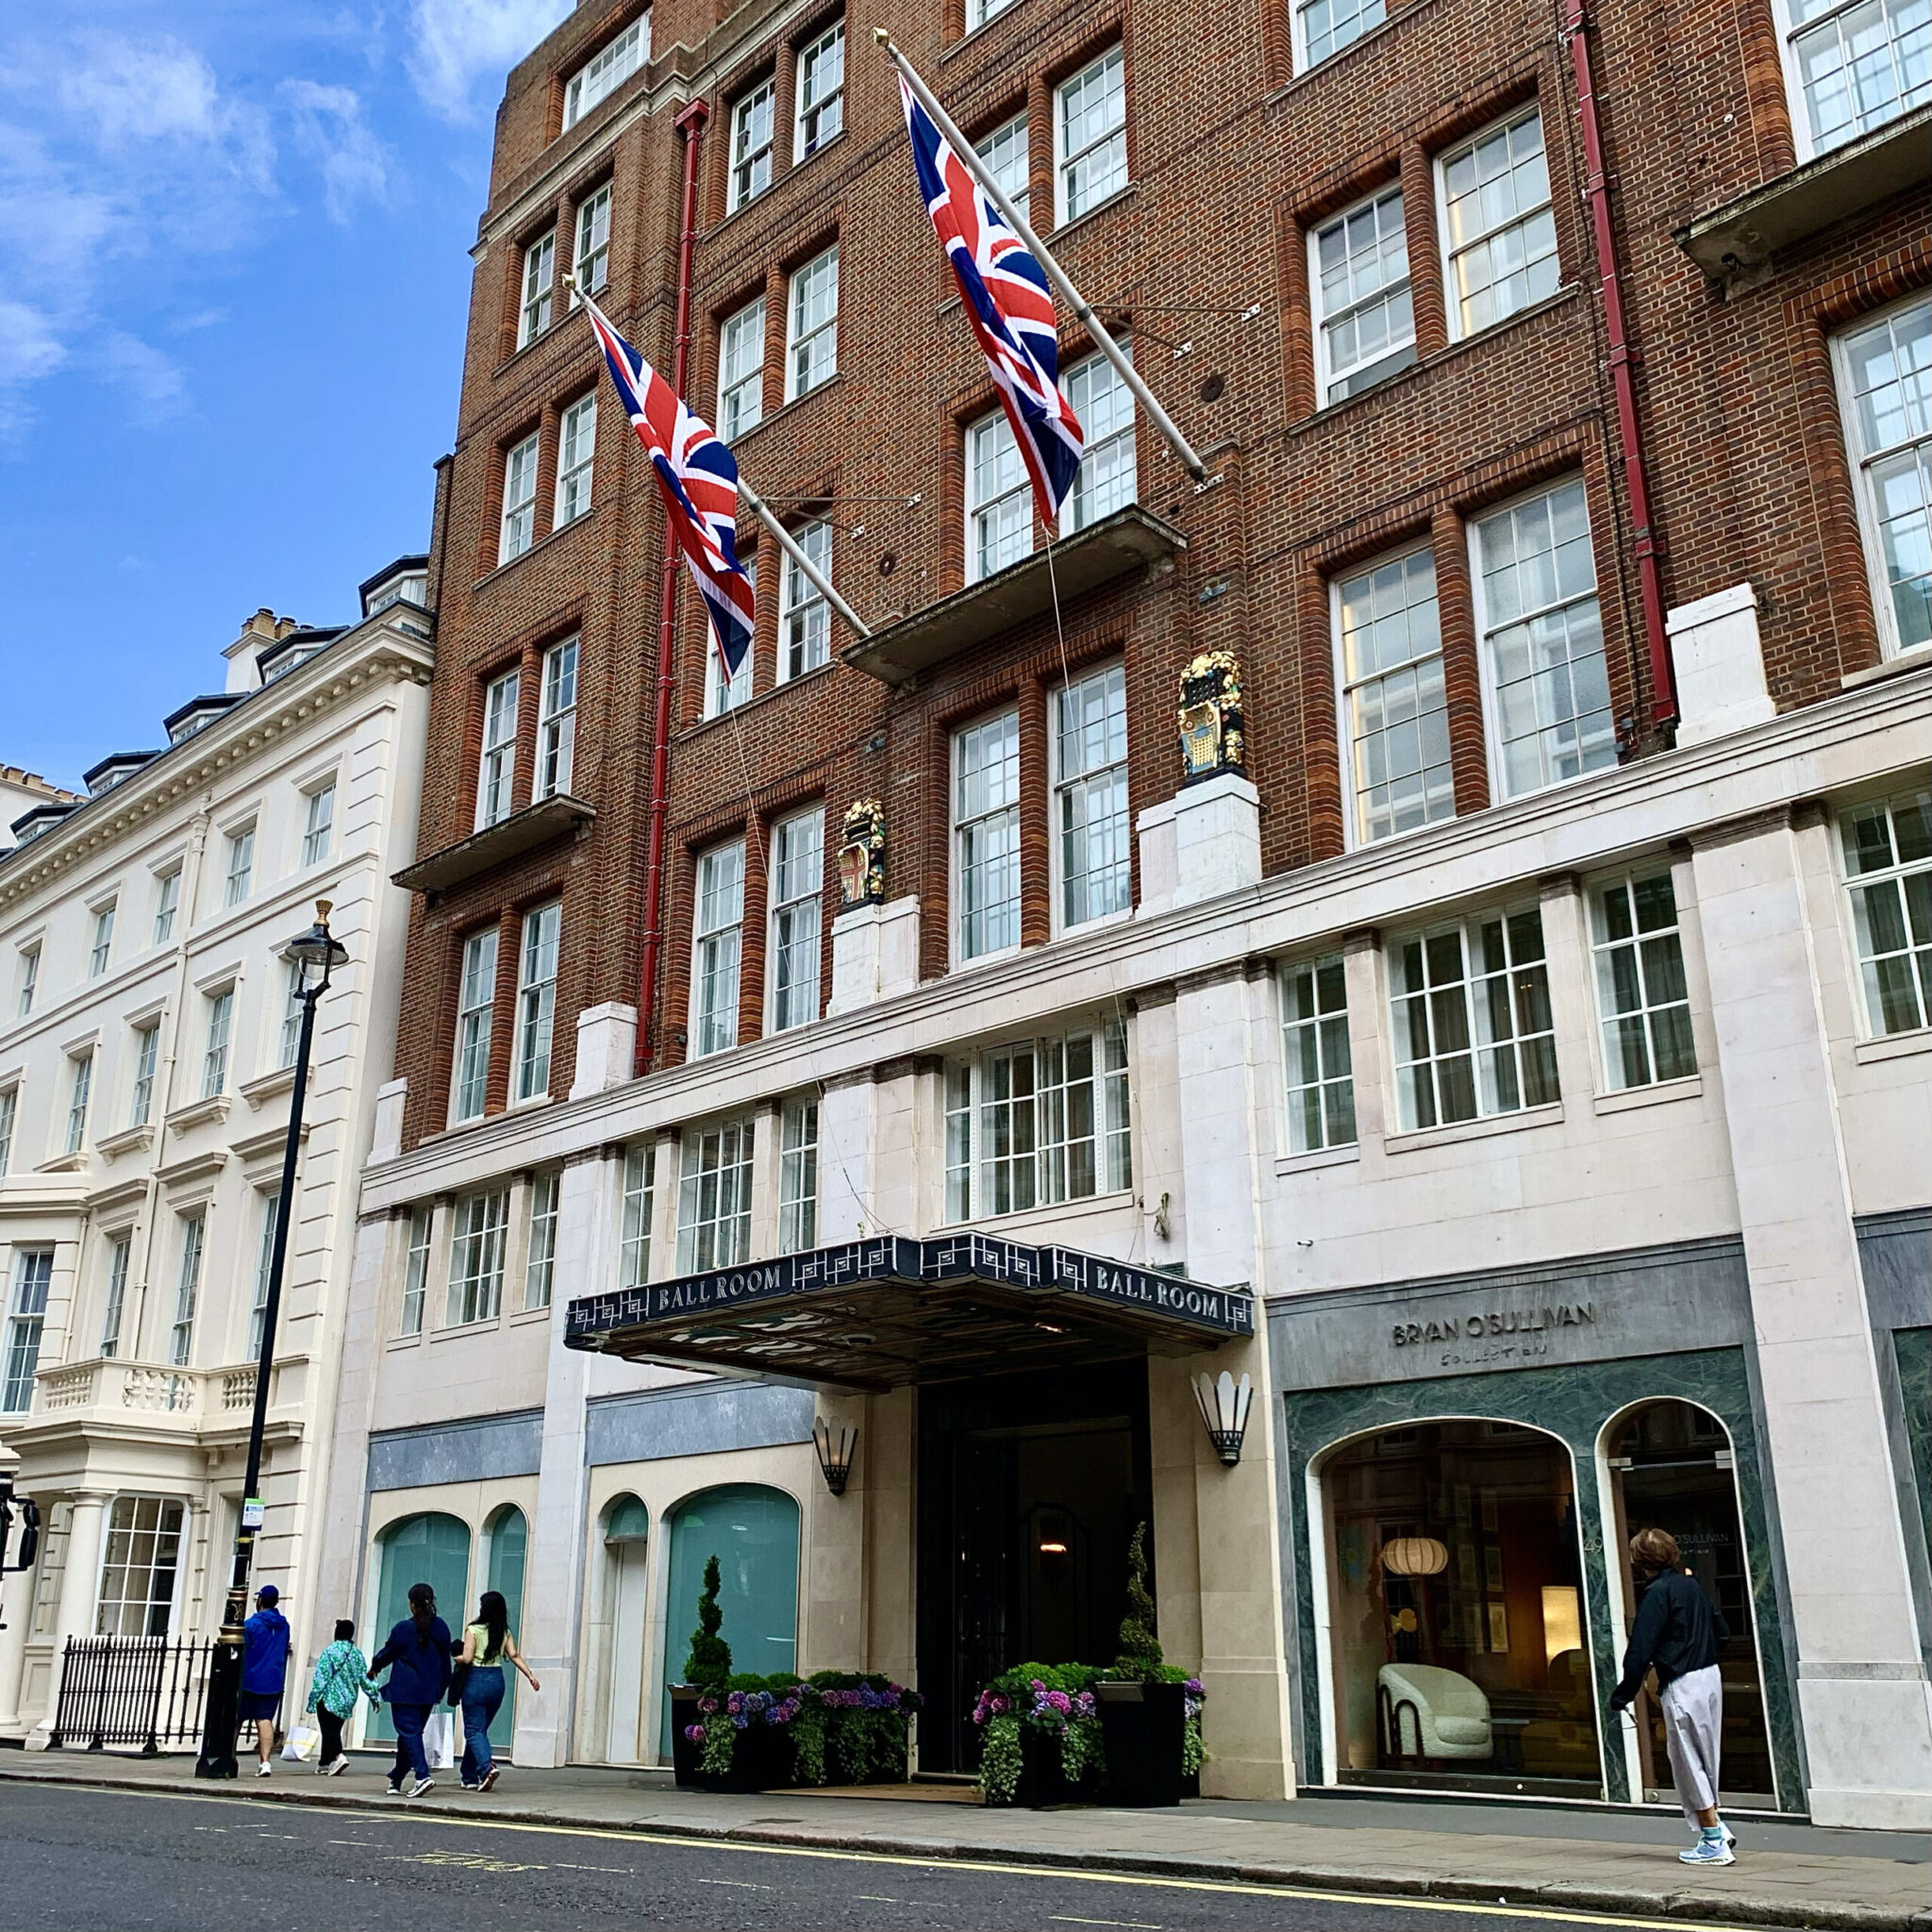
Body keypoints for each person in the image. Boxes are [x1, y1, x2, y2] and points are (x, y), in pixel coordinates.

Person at [1610, 1527, 1735, 1865]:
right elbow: (1721, 1631)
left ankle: (1712, 1841)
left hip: (1682, 1682)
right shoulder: (1690, 1585)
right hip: (1710, 1675)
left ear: (1638, 1561)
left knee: (1687, 1761)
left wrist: (1624, 1693)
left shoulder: (1656, 1593)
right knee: (1707, 1755)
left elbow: (1640, 1649)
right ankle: (1717, 1826)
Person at [370, 1581, 453, 1798]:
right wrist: (443, 1687)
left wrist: (374, 1668)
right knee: (408, 1736)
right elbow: (446, 1662)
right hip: (429, 1691)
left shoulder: (404, 1628)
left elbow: (387, 1653)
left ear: (412, 1604)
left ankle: (422, 1776)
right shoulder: (441, 1627)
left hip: (405, 1690)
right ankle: (396, 1778)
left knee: (409, 1733)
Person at [453, 1589, 541, 1792]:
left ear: (484, 1609)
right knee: (479, 1731)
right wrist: (530, 1676)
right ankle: (469, 1777)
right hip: (497, 1681)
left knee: (474, 1731)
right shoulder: (504, 1631)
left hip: (476, 1680)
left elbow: (466, 1658)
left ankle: (486, 1767)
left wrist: (455, 1657)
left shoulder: (473, 1630)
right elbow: (515, 1655)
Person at [306, 1618, 383, 1776]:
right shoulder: (357, 1654)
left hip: (329, 1698)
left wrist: (313, 1699)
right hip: (348, 1699)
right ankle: (324, 1763)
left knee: (329, 1731)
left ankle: (338, 1756)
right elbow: (365, 1680)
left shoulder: (330, 1651)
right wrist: (374, 1697)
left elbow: (321, 1678)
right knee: (334, 1730)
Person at [239, 1584, 292, 1777]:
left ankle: (229, 1758)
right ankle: (266, 1763)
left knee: (236, 1721)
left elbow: (242, 1650)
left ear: (260, 1601)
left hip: (250, 1679)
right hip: (273, 1680)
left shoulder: (251, 1625)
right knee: (265, 1720)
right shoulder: (284, 1626)